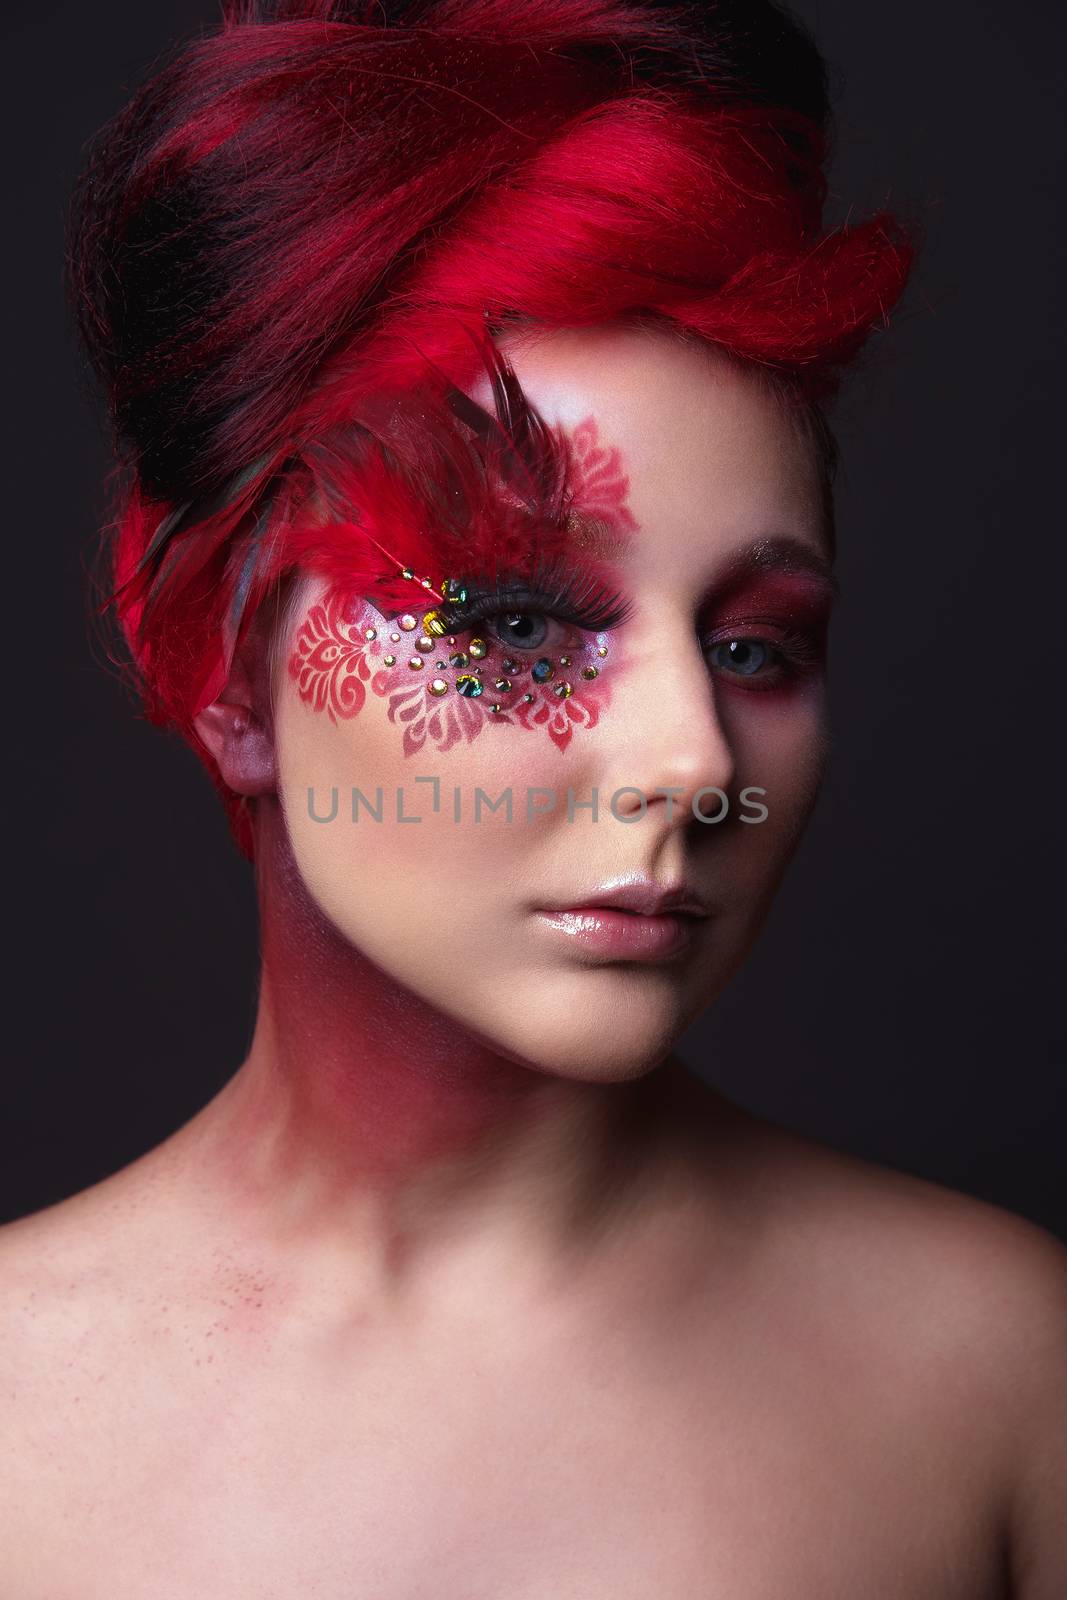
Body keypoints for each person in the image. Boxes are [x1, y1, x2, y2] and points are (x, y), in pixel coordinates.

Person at [2, 0, 1064, 1592]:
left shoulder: (997, 1374)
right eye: (512, 621)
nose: (695, 762)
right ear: (229, 668)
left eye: (757, 645)